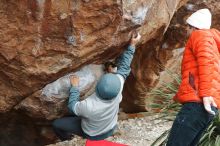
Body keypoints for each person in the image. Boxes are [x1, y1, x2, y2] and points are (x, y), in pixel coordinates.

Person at [52, 31, 141, 141]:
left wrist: (74, 87)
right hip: (110, 127)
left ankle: (67, 138)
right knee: (85, 115)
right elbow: (124, 67)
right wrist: (132, 45)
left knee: (57, 124)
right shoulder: (119, 86)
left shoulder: (88, 106)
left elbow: (72, 107)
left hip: (92, 134)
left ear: (97, 88)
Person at [167, 9, 220, 146]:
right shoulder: (212, 43)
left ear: (194, 26)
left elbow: (206, 62)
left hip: (198, 103)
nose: (186, 30)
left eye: (187, 26)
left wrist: (206, 94)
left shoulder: (200, 35)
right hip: (207, 105)